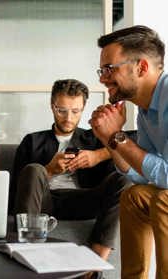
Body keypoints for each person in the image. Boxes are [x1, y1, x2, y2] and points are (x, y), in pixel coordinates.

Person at [11, 79, 130, 265]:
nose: (68, 118)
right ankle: (29, 252)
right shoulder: (32, 141)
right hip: (45, 202)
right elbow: (15, 191)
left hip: (85, 199)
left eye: (75, 111)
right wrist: (49, 170)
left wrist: (97, 156)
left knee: (123, 180)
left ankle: (95, 263)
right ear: (52, 107)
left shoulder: (94, 138)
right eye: (62, 111)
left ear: (83, 109)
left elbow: (135, 142)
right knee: (34, 169)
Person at [89, 25, 168, 279]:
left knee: (164, 199)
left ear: (141, 67)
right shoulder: (146, 109)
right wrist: (110, 141)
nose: (102, 78)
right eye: (102, 70)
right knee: (135, 197)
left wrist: (118, 137)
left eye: (110, 69)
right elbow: (144, 175)